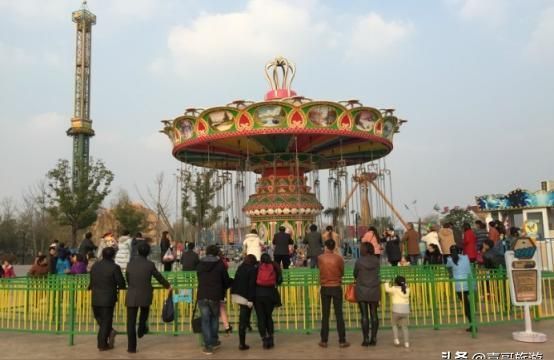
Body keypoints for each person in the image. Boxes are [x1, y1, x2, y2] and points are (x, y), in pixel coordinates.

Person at [125, 242, 171, 353]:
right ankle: (141, 328)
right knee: (144, 314)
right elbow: (158, 277)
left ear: (138, 251)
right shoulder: (150, 264)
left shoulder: (130, 264)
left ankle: (131, 348)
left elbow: (128, 278)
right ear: (148, 253)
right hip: (145, 294)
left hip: (131, 295)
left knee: (130, 322)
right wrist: (168, 286)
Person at [196, 245, 232, 355]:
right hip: (215, 295)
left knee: (205, 320)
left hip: (202, 294)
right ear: (217, 252)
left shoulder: (200, 264)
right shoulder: (220, 264)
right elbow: (225, 280)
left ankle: (208, 346)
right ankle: (214, 340)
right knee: (214, 318)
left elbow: (199, 277)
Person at [89, 246, 126, 351]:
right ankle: (102, 344)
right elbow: (121, 283)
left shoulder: (95, 266)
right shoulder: (114, 267)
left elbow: (91, 281)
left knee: (99, 319)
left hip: (95, 297)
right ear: (113, 255)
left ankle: (108, 333)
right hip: (108, 298)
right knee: (106, 321)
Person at [317, 239, 350, 348]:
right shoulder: (339, 258)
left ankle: (324, 340)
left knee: (325, 315)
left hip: (325, 287)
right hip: (336, 287)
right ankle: (342, 340)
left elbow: (320, 270)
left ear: (325, 247)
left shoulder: (320, 258)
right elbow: (342, 272)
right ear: (334, 247)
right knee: (339, 314)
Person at [354, 242, 381, 346]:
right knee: (374, 314)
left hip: (362, 289)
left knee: (364, 315)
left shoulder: (359, 261)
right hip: (374, 289)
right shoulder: (376, 260)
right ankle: (374, 338)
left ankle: (365, 339)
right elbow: (378, 272)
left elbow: (355, 274)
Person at [255, 253, 282, 350]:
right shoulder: (275, 266)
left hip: (258, 295)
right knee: (268, 317)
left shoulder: (257, 266)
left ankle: (264, 339)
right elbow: (279, 280)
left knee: (261, 318)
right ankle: (271, 338)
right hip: (270, 294)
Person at [231, 254, 258, 351]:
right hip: (245, 297)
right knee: (243, 319)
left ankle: (247, 325)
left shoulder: (240, 267)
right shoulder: (252, 269)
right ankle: (242, 344)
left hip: (236, 294)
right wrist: (250, 299)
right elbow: (251, 285)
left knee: (244, 316)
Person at [446, 245, 475, 332]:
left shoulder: (449, 260)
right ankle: (472, 322)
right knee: (469, 304)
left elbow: (449, 272)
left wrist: (451, 277)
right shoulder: (466, 258)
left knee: (466, 305)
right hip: (470, 283)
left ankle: (472, 324)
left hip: (459, 285)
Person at [384, 276, 410, 348]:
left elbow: (387, 289)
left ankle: (396, 339)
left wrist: (386, 282)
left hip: (396, 310)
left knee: (394, 324)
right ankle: (406, 343)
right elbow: (404, 286)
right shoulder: (407, 289)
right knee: (405, 327)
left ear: (395, 283)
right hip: (405, 310)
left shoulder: (394, 289)